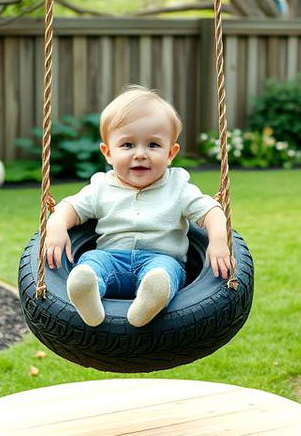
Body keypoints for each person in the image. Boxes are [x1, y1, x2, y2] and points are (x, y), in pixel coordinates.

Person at [44, 85, 233, 327]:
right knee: (92, 262)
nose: (140, 154)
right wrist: (57, 225)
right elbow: (70, 208)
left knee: (165, 272)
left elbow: (211, 210)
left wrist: (218, 241)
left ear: (171, 153)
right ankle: (86, 290)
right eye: (128, 145)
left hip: (161, 259)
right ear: (108, 152)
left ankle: (152, 297)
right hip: (112, 258)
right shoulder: (101, 186)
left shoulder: (178, 186)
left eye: (153, 145)